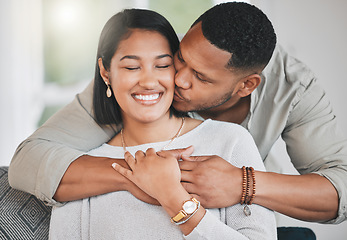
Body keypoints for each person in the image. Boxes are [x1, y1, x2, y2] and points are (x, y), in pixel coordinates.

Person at [9, 1, 346, 225]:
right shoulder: (148, 76)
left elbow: (340, 190)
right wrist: (143, 173)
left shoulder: (293, 89)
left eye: (200, 77)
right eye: (181, 59)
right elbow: (29, 159)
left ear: (246, 86)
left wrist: (243, 184)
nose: (178, 79)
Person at [48, 8, 276, 239]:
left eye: (162, 65)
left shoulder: (230, 141)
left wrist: (172, 196)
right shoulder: (82, 168)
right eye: (131, 67)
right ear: (106, 73)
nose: (148, 82)